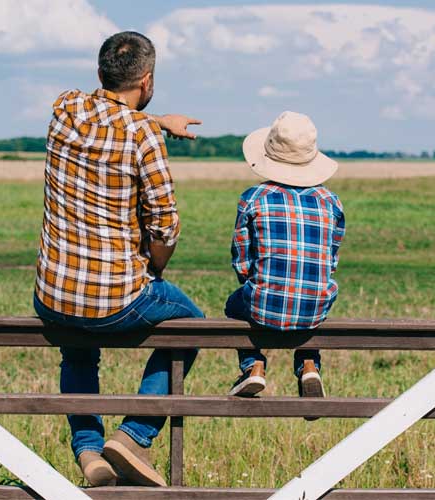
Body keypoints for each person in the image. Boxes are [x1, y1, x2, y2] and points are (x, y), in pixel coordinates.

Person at [33, 31, 203, 487]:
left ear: (99, 74)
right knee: (193, 326)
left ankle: (89, 450)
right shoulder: (144, 137)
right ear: (146, 80)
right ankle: (133, 436)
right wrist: (155, 271)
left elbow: (109, 112)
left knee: (78, 351)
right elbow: (165, 226)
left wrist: (157, 120)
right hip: (117, 301)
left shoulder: (64, 108)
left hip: (53, 296)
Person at [224, 111, 345, 413]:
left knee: (233, 305)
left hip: (262, 303)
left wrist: (258, 283)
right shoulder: (331, 202)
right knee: (310, 298)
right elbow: (329, 262)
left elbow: (241, 262)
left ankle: (253, 367)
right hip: (314, 308)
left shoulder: (253, 198)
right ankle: (308, 365)